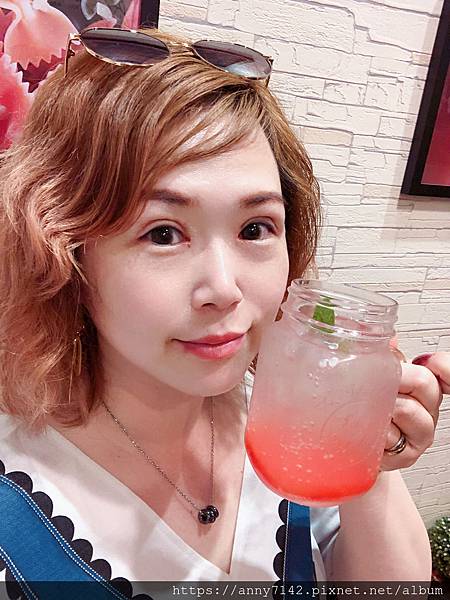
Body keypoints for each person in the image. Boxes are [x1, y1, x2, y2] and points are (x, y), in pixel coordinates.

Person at [0, 26, 443, 594]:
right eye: (163, 233)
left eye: (255, 228)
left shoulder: (287, 423)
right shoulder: (20, 486)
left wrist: (366, 454)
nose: (225, 289)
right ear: (63, 254)